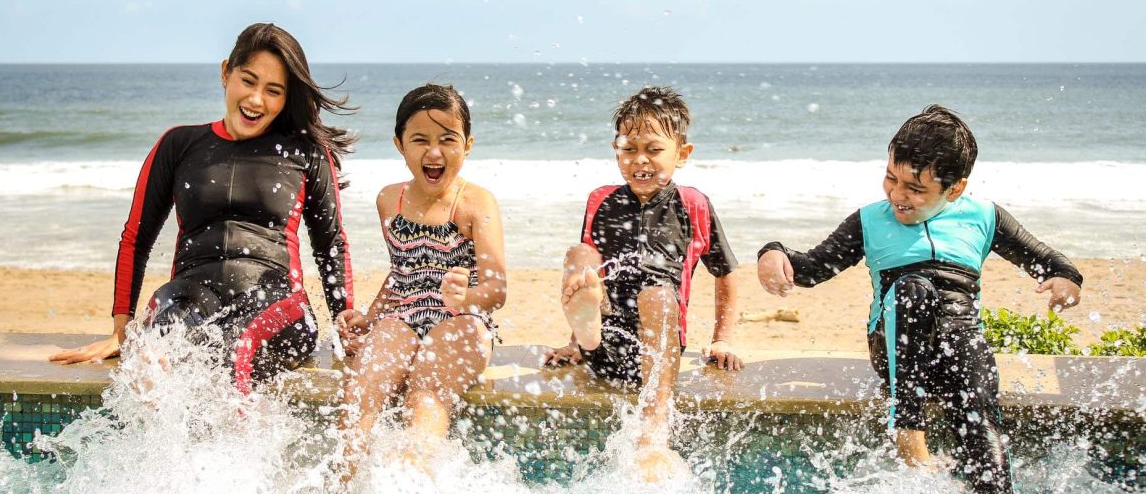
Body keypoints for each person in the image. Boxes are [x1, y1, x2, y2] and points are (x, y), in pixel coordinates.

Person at [756, 104, 1083, 493]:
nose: (898, 194)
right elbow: (812, 268)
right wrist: (772, 251)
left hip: (959, 344)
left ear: (955, 188)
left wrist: (1066, 279)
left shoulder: (983, 216)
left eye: (915, 188)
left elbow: (1045, 259)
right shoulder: (870, 220)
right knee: (914, 290)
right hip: (894, 343)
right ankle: (909, 435)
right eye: (891, 179)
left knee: (978, 402)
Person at [50, 23, 356, 395]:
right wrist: (121, 328)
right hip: (188, 294)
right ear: (226, 71)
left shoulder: (304, 153)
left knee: (232, 355)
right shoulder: (179, 145)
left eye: (273, 91)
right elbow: (136, 237)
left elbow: (331, 245)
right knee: (152, 356)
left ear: (284, 98)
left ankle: (239, 454)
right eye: (248, 80)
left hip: (276, 301)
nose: (256, 99)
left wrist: (345, 325)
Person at [543, 86, 743, 482]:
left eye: (653, 149)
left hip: (659, 354)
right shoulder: (600, 200)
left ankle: (655, 423)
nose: (640, 160)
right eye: (628, 149)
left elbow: (726, 272)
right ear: (616, 151)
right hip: (605, 344)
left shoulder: (693, 204)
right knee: (579, 257)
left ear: (682, 154)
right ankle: (584, 335)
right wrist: (573, 343)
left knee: (655, 294)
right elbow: (587, 278)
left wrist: (723, 338)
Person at [336, 84, 506, 470]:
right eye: (420, 140)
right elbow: (402, 272)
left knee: (426, 393)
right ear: (399, 144)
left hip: (464, 320)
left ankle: (415, 476)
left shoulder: (476, 203)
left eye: (448, 139)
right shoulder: (388, 200)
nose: (434, 152)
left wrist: (467, 298)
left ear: (468, 144)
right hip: (404, 316)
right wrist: (371, 315)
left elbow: (497, 290)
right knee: (362, 388)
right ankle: (348, 479)